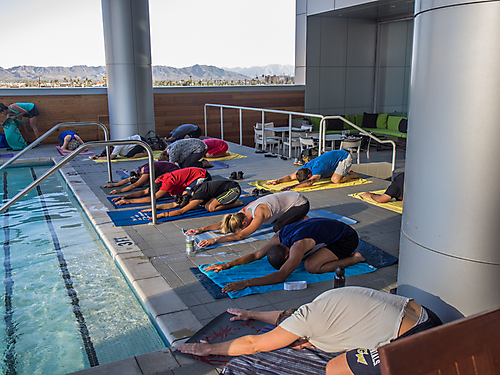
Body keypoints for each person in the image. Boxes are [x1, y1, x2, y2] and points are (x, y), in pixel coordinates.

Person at [178, 286, 443, 375]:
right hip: (430, 320)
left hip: (411, 346)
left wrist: (209, 348)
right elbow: (288, 316)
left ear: (301, 333)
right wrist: (253, 314)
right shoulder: (325, 300)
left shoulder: (307, 320)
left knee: (335, 367)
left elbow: (252, 345)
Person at [203, 217, 365, 294]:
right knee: (309, 259)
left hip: (347, 237)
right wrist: (226, 265)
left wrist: (245, 282)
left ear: (288, 256)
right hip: (331, 227)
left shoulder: (298, 246)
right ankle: (334, 252)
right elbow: (255, 255)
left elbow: (281, 276)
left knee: (311, 266)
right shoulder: (278, 237)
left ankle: (354, 258)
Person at [192, 191, 310, 248]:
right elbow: (226, 222)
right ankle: (296, 217)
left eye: (239, 228)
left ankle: (303, 220)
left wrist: (215, 240)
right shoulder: (243, 212)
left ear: (244, 223)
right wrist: (202, 229)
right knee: (277, 221)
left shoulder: (259, 214)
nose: (238, 231)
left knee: (278, 228)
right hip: (287, 200)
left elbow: (241, 236)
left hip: (300, 203)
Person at [142, 178, 243, 220]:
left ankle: (236, 203)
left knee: (210, 207)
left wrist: (162, 215)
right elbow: (174, 205)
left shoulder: (197, 198)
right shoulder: (187, 193)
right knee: (207, 205)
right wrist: (155, 208)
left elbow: (181, 211)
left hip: (233, 189)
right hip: (222, 188)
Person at [266, 149, 359, 191]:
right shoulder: (304, 167)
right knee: (324, 175)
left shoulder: (318, 169)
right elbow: (290, 177)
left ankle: (351, 175)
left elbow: (310, 182)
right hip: (334, 157)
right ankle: (336, 172)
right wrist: (277, 181)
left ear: (310, 175)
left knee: (335, 180)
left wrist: (292, 187)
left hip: (345, 157)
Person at [111, 167, 211, 206]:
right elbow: (144, 192)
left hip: (202, 175)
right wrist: (126, 196)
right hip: (189, 176)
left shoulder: (167, 184)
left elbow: (152, 199)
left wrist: (129, 201)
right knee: (176, 195)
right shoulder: (159, 180)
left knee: (185, 199)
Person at [102, 161, 179, 194]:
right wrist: (114, 185)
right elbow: (129, 179)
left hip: (175, 171)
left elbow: (135, 185)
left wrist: (120, 191)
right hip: (167, 168)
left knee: (156, 186)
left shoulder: (146, 172)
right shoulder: (140, 171)